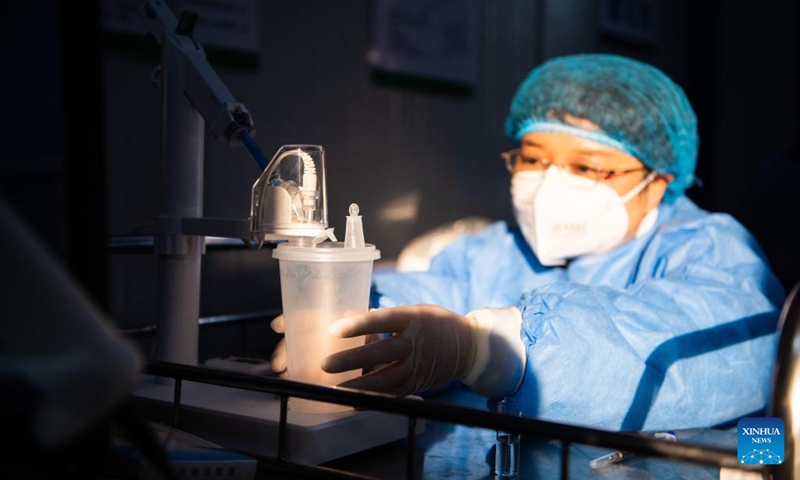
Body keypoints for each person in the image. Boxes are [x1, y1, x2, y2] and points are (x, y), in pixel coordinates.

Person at [271, 53, 787, 432]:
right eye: (534, 158)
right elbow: (432, 291)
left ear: (659, 179)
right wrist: (353, 326)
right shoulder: (495, 252)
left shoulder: (713, 251)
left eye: (586, 166)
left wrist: (482, 349)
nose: (549, 184)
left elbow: (686, 349)